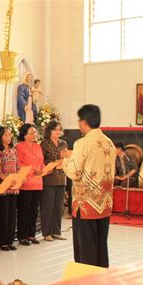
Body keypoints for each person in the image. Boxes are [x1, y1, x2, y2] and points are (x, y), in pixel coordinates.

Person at [61, 104, 115, 267]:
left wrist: (65, 160)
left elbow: (74, 172)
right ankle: (101, 281)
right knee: (100, 245)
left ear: (84, 122)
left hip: (86, 204)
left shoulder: (82, 143)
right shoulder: (109, 143)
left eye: (79, 120)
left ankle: (86, 284)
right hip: (104, 202)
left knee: (85, 249)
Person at [16, 123, 44, 246]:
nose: (34, 135)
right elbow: (19, 164)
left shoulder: (38, 146)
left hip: (38, 181)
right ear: (24, 135)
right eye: (31, 133)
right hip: (25, 182)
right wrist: (33, 170)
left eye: (35, 132)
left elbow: (41, 161)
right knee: (24, 210)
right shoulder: (19, 147)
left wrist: (43, 169)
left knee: (34, 210)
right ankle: (22, 236)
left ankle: (32, 234)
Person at [40, 120, 68, 242]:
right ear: (49, 130)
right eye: (55, 129)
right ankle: (46, 232)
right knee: (48, 206)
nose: (57, 132)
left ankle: (56, 231)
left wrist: (64, 161)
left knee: (59, 206)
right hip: (49, 177)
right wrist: (51, 164)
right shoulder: (44, 144)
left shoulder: (63, 144)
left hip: (62, 177)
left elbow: (66, 158)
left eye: (59, 129)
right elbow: (41, 161)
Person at [0, 126, 19, 251]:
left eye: (9, 134)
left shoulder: (14, 150)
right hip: (4, 187)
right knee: (4, 214)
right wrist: (6, 179)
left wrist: (19, 177)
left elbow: (17, 166)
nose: (8, 137)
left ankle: (10, 240)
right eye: (5, 135)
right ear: (0, 137)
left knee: (12, 214)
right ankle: (2, 241)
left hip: (14, 187)